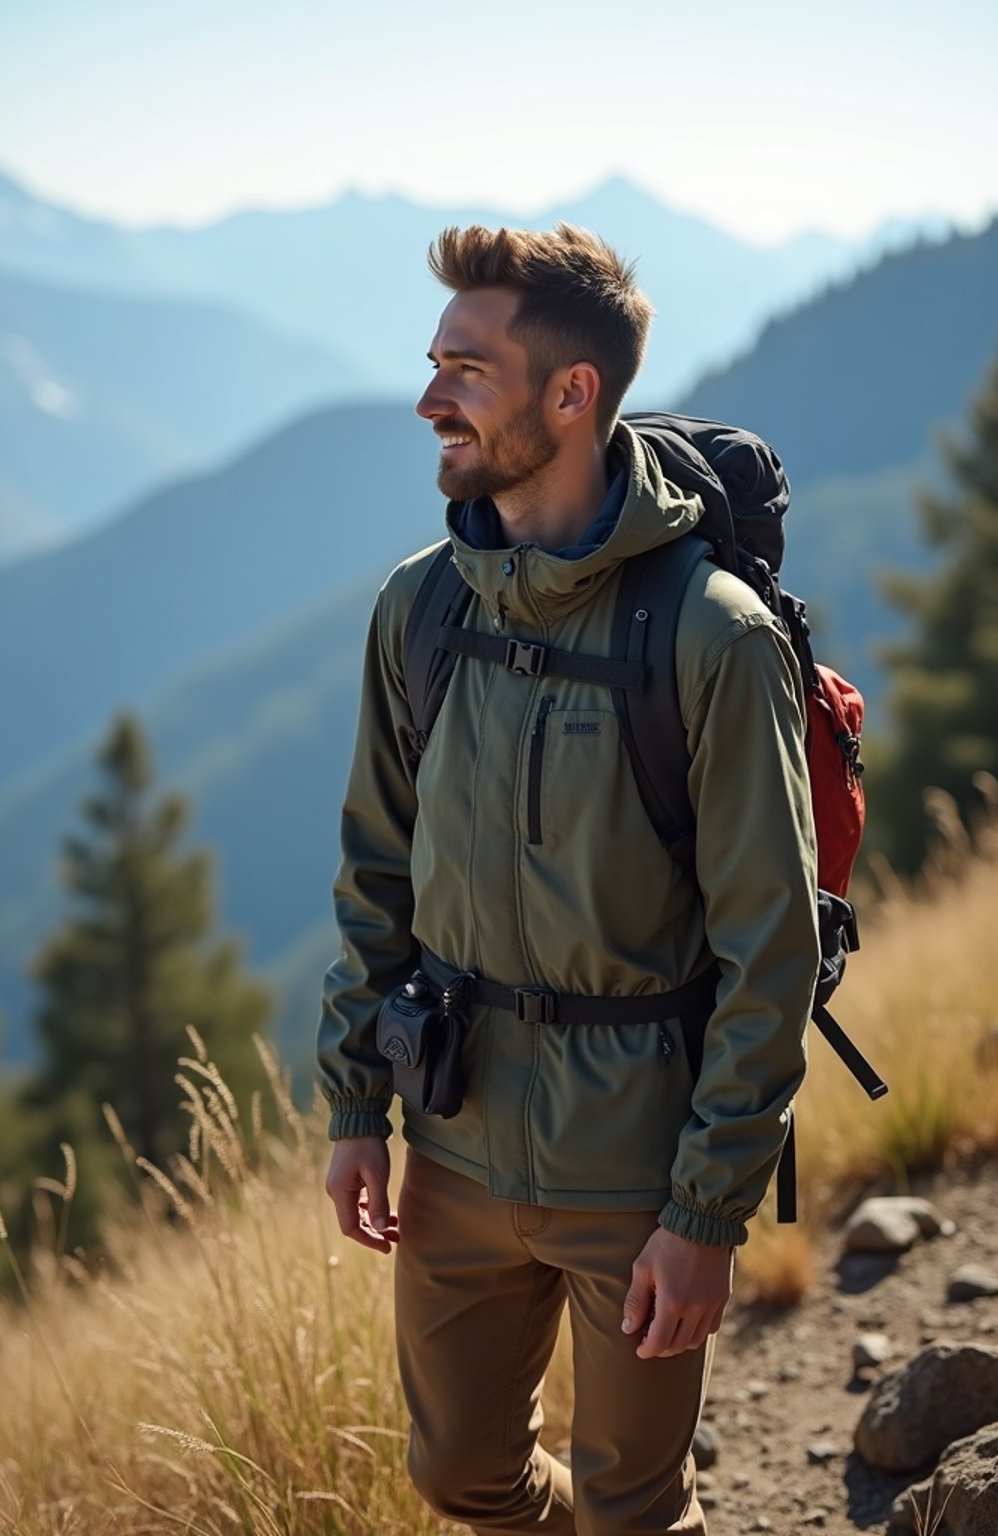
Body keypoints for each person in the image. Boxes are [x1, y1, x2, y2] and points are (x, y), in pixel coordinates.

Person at [317, 223, 820, 1536]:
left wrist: (707, 1212)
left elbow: (771, 949)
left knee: (632, 1507)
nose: (430, 398)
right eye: (435, 362)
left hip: (634, 1166)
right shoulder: (420, 608)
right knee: (461, 1476)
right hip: (456, 1136)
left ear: (571, 393)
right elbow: (375, 869)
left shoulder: (714, 638)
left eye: (466, 371)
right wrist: (351, 1105)